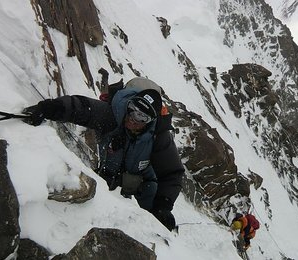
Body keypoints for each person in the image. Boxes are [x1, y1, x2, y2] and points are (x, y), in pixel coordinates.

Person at [22, 77, 184, 231]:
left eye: (141, 116)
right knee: (107, 213)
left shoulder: (158, 136)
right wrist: (50, 109)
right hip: (109, 175)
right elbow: (81, 107)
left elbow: (172, 173)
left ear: (151, 121)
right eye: (132, 110)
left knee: (152, 217)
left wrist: (163, 206)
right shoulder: (113, 115)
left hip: (142, 182)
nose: (133, 119)